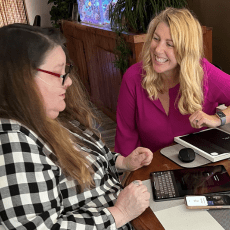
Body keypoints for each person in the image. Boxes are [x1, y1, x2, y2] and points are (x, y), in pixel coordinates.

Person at [0, 23, 153, 229]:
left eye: (67, 70)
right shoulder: (12, 142)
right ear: (23, 79)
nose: (69, 82)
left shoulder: (50, 116)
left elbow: (88, 161)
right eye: (58, 73)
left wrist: (123, 162)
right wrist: (119, 213)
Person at [115, 7, 230, 157]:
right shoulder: (133, 78)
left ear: (186, 49)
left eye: (170, 44)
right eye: (156, 39)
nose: (158, 50)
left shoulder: (204, 72)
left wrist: (218, 119)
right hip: (151, 168)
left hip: (200, 168)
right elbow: (126, 140)